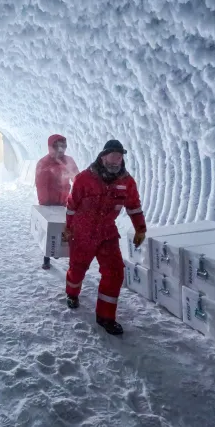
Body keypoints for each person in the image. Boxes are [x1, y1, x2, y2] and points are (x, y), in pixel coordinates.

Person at [63, 139, 146, 336]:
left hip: (107, 234)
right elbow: (72, 205)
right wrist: (68, 228)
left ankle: (105, 317)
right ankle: (72, 293)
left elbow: (134, 206)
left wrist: (140, 228)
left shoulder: (127, 182)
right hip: (82, 232)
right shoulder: (84, 178)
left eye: (120, 157)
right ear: (103, 156)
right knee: (77, 269)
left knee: (115, 272)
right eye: (112, 156)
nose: (116, 160)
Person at [35, 134, 79, 269]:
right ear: (51, 147)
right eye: (57, 146)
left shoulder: (68, 161)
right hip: (49, 203)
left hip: (64, 201)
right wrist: (45, 204)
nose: (60, 149)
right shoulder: (43, 163)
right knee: (50, 230)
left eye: (63, 146)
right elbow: (41, 185)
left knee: (67, 228)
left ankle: (65, 254)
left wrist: (78, 195)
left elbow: (77, 178)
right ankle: (47, 257)